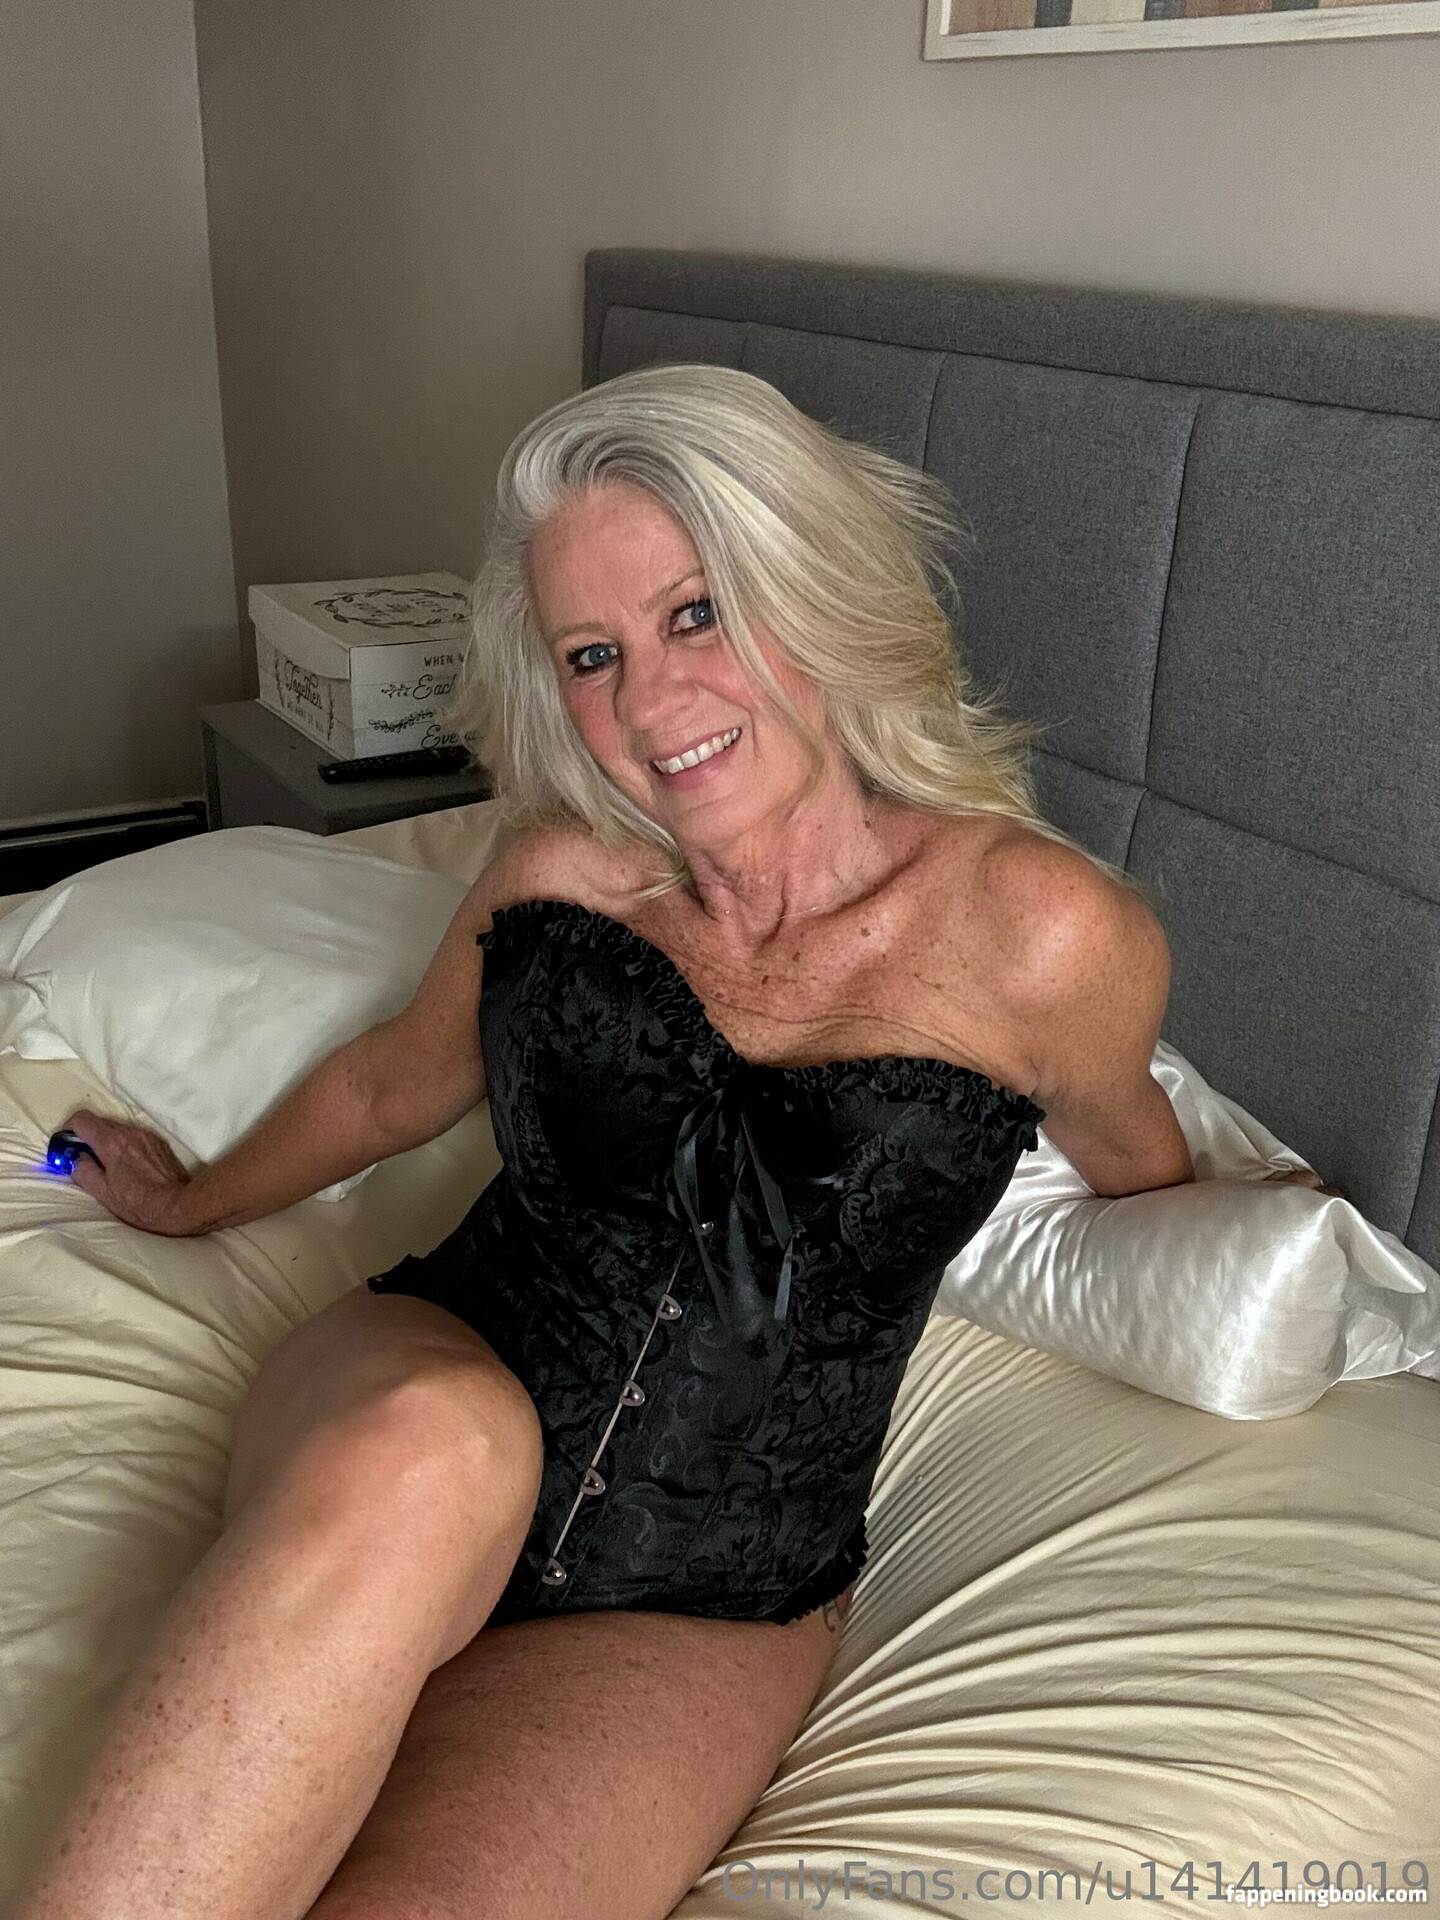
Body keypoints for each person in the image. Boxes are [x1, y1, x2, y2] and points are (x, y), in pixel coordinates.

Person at [14, 364, 1203, 1920]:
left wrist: (1269, 1234)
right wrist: (193, 1204)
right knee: (438, 1446)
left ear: (813, 589)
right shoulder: (560, 878)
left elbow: (1140, 1161)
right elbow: (388, 1092)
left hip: (710, 1589)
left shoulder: (1045, 936)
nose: (648, 704)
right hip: (421, 1389)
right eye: (595, 654)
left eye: (697, 613)